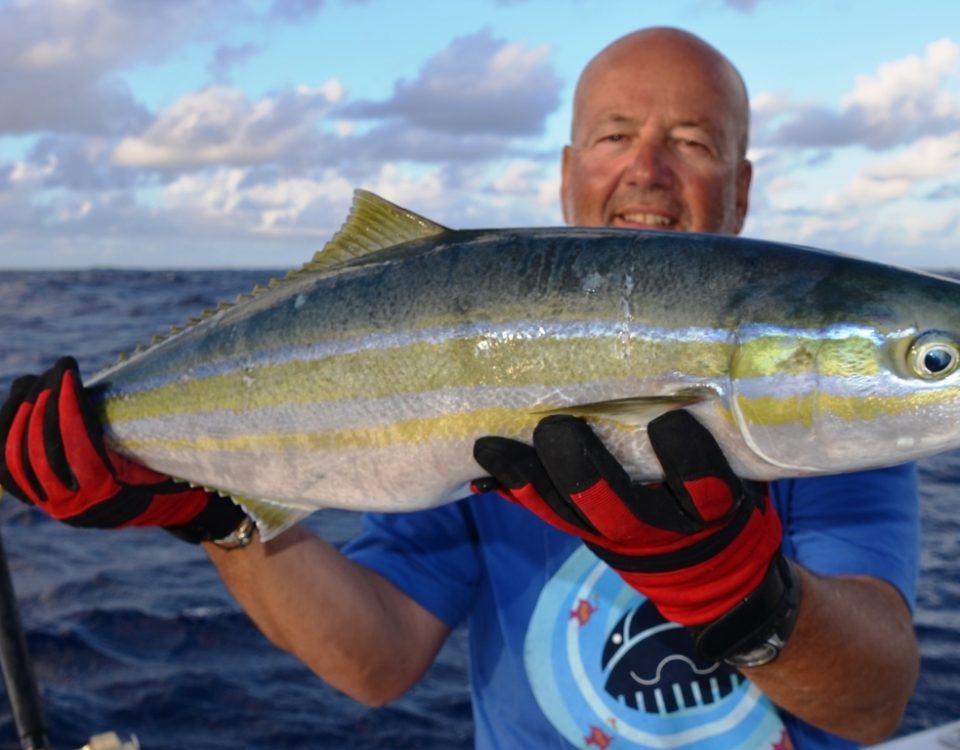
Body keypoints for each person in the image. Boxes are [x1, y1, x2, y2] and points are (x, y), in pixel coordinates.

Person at [0, 27, 920, 750]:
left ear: (742, 187)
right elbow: (378, 656)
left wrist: (742, 592)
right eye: (613, 135)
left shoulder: (843, 444)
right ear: (567, 172)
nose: (647, 168)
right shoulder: (467, 353)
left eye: (692, 140)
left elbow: (875, 705)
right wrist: (214, 513)